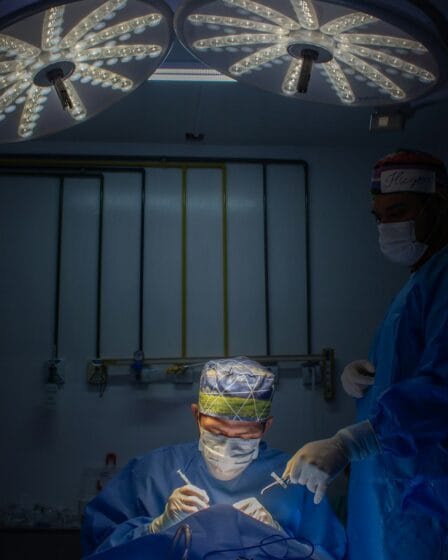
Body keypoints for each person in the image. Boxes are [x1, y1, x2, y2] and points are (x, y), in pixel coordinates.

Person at [282, 150, 448, 560]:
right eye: (380, 217)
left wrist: (351, 443)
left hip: (424, 501)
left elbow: (442, 390)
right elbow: (415, 370)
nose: (389, 226)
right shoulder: (420, 282)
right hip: (390, 494)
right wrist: (372, 376)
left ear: (439, 205)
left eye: (399, 211)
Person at [82, 357, 346, 558]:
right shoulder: (151, 473)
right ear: (196, 416)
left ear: (266, 426)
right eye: (217, 432)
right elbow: (100, 549)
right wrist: (155, 528)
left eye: (243, 436)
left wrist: (278, 538)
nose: (228, 446)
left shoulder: (295, 480)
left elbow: (329, 555)